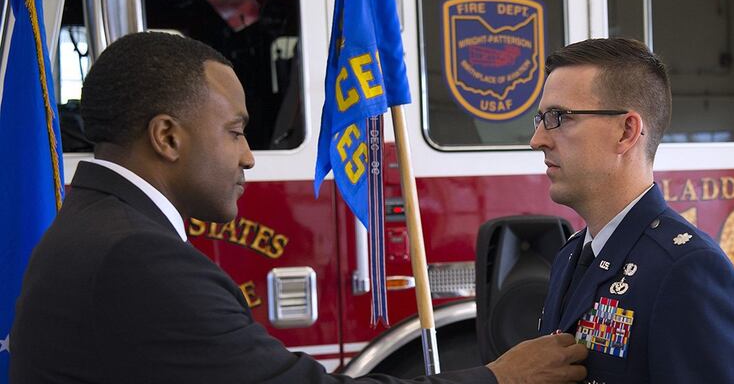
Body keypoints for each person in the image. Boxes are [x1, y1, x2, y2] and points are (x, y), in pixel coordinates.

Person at [10, 31, 586, 384]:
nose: (248, 158)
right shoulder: (139, 257)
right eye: (236, 132)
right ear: (167, 137)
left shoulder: (95, 225)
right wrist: (500, 378)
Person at [530, 38, 734, 383]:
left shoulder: (688, 270)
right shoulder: (570, 254)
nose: (537, 139)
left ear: (627, 131)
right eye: (541, 118)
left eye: (559, 117)